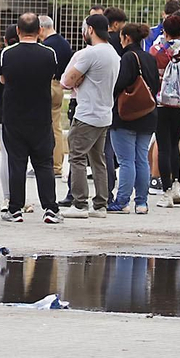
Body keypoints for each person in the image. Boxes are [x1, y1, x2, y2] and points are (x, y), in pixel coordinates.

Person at [0, 14, 63, 224]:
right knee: (44, 163)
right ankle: (51, 209)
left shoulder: (7, 54)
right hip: (41, 117)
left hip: (14, 116)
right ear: (40, 31)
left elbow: (2, 79)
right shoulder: (49, 53)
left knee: (16, 162)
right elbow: (53, 76)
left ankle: (15, 209)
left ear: (17, 31)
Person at [60, 14, 118, 217]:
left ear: (90, 30)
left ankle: (79, 203)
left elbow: (66, 80)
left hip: (86, 114)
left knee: (76, 157)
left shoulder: (90, 54)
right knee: (98, 159)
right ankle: (101, 204)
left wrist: (76, 80)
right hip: (104, 114)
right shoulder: (113, 53)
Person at [108, 23, 161, 215]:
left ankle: (122, 200)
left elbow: (119, 84)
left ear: (126, 38)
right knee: (141, 160)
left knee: (126, 160)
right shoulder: (149, 58)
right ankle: (142, 202)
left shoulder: (128, 58)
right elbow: (155, 85)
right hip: (147, 114)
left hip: (126, 116)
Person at [150, 14, 180, 208]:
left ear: (165, 31)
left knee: (163, 145)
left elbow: (152, 75)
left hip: (161, 103)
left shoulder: (156, 51)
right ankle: (177, 186)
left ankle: (166, 191)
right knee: (175, 143)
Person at [38, 15, 72, 176]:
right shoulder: (64, 43)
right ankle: (57, 164)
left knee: (47, 127)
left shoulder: (47, 46)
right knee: (56, 126)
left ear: (42, 28)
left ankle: (52, 165)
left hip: (48, 84)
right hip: (60, 84)